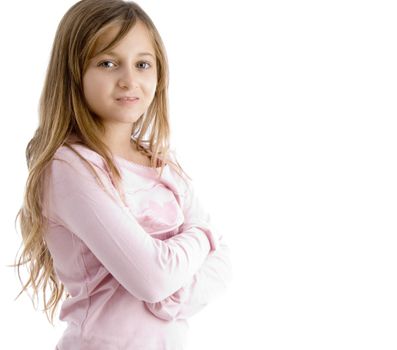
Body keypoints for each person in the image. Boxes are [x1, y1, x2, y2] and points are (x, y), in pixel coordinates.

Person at [11, 0, 232, 349]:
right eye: (108, 63)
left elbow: (222, 267)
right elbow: (153, 277)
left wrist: (170, 296)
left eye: (143, 64)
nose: (130, 80)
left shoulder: (162, 162)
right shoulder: (70, 167)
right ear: (74, 74)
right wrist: (203, 235)